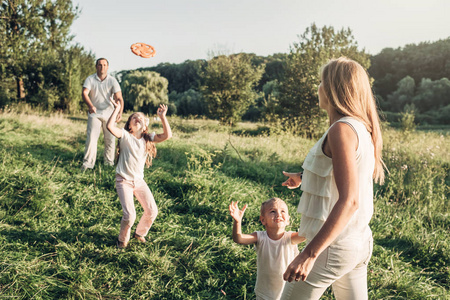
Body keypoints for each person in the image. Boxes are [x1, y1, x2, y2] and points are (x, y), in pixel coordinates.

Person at [280, 57, 385, 300]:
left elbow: (349, 201)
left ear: (334, 89)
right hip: (358, 242)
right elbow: (343, 174)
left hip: (332, 247)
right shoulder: (360, 127)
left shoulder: (341, 130)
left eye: (321, 82)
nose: (318, 88)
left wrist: (309, 254)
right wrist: (305, 177)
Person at [107, 100, 172, 249]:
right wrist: (117, 109)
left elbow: (167, 135)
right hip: (124, 180)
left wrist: (163, 117)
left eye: (141, 118)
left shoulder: (147, 138)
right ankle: (122, 240)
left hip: (139, 181)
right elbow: (110, 126)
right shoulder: (124, 136)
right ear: (129, 125)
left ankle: (139, 234)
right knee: (130, 215)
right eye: (134, 117)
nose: (138, 119)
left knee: (152, 211)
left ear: (144, 126)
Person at [229, 198, 305, 300]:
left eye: (283, 211)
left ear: (287, 219)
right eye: (273, 211)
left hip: (287, 290)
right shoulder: (260, 237)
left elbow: (306, 234)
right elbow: (239, 238)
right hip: (265, 292)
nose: (278, 214)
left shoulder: (290, 238)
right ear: (263, 220)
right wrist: (237, 222)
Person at [81, 58, 124, 171]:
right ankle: (88, 164)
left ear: (108, 67)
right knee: (91, 139)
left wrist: (119, 111)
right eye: (100, 65)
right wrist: (90, 105)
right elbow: (85, 93)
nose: (102, 67)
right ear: (96, 67)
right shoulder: (90, 79)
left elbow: (119, 97)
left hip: (110, 114)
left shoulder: (112, 80)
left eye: (104, 65)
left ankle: (108, 164)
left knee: (110, 140)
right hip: (94, 113)